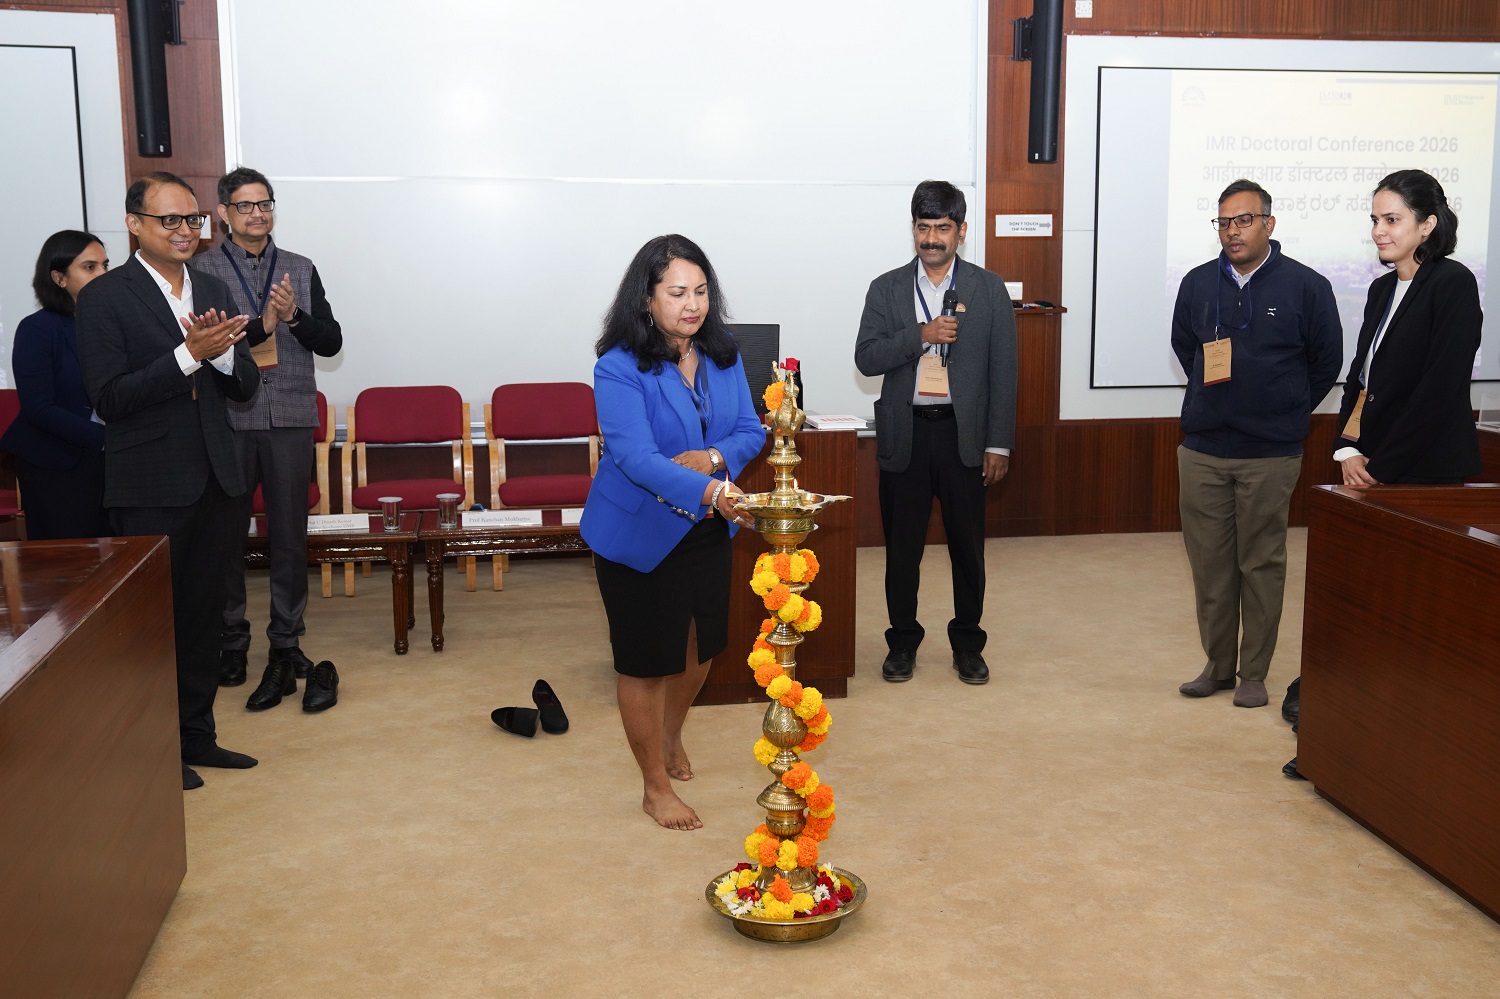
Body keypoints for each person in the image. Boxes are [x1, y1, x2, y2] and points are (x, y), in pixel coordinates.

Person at [1285, 168, 1481, 781]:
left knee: (1409, 620)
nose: (1379, 231)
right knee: (1362, 609)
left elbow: (1440, 389)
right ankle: (1338, 741)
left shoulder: (1452, 283)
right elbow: (1361, 382)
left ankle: (1392, 752)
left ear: (1428, 224)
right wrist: (1346, 449)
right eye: (1374, 219)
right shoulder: (1378, 290)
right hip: (1369, 469)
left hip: (1423, 475)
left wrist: (1381, 466)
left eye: (1392, 219)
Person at [77, 171, 262, 791]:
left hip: (218, 478)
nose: (186, 231)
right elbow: (109, 397)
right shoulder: (105, 297)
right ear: (134, 224)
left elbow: (244, 387)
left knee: (205, 617)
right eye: (170, 220)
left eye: (193, 220)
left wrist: (224, 354)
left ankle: (197, 736)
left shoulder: (211, 286)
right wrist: (188, 355)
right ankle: (155, 751)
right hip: (151, 485)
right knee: (154, 627)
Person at [580, 234, 765, 831]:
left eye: (702, 292)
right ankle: (653, 787)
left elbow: (750, 430)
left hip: (706, 528)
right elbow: (636, 458)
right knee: (645, 661)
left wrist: (712, 459)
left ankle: (669, 734)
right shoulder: (617, 367)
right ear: (647, 298)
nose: (693, 305)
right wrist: (713, 491)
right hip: (638, 532)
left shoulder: (722, 354)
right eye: (678, 293)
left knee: (698, 649)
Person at [1172, 179, 1342, 710]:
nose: (1233, 231)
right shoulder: (1197, 283)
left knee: (1261, 564)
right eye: (1224, 222)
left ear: (1269, 223)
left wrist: (1285, 409)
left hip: (1270, 453)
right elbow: (1185, 346)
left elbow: (1326, 362)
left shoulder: (1307, 286)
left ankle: (1254, 673)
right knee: (1210, 566)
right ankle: (1218, 666)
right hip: (1203, 449)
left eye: (1244, 220)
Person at [189, 167, 343, 713]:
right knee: (227, 536)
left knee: (289, 536)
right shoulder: (201, 270)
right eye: (245, 205)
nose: (257, 214)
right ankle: (232, 642)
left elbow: (332, 341)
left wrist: (293, 315)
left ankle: (286, 640)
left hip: (290, 415)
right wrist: (262, 325)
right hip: (229, 417)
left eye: (265, 204)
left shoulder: (300, 267)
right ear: (224, 214)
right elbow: (204, 344)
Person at [854, 179, 1017, 686]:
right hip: (905, 435)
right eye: (923, 227)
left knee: (968, 550)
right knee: (902, 551)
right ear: (913, 229)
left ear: (961, 231)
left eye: (942, 228)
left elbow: (1004, 371)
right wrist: (920, 336)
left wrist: (998, 443)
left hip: (963, 437)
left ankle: (967, 644)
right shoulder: (886, 288)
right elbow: (866, 357)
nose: (931, 238)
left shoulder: (988, 289)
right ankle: (902, 642)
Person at [0, 231, 112, 539]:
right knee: (68, 559)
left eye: (105, 265)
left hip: (110, 463)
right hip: (54, 462)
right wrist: (105, 438)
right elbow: (39, 408)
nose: (103, 274)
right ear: (58, 278)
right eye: (89, 267)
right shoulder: (37, 328)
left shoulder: (112, 324)